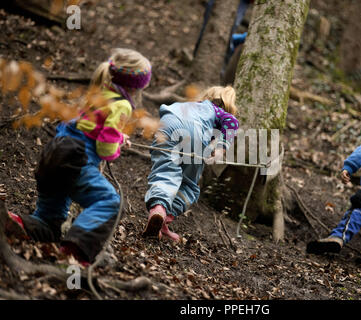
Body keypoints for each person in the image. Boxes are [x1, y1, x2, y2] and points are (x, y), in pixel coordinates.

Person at [5, 48, 152, 265]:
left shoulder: (97, 94)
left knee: (49, 221)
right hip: (75, 160)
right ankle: (74, 251)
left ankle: (20, 224)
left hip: (53, 154)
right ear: (137, 85)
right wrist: (117, 147)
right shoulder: (122, 105)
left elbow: (89, 127)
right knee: (110, 202)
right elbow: (105, 149)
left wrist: (118, 137)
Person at [143, 86, 239, 242]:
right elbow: (232, 122)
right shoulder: (215, 110)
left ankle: (159, 210)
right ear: (227, 105)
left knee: (165, 171)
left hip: (167, 124)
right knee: (188, 185)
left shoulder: (189, 105)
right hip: (193, 131)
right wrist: (221, 148)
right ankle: (166, 214)